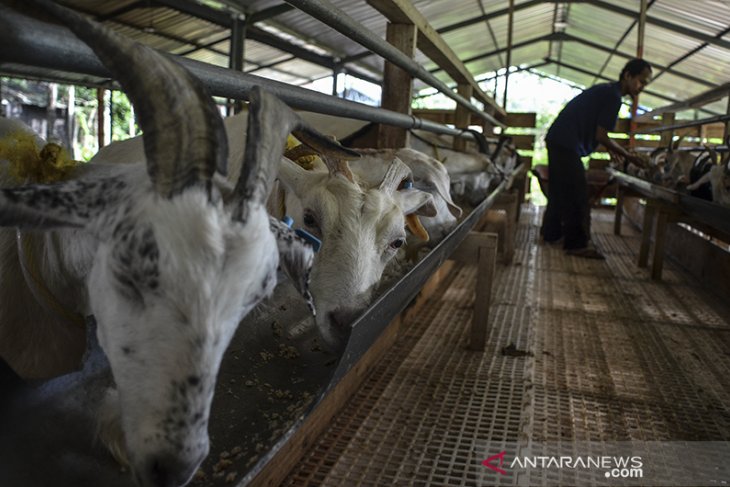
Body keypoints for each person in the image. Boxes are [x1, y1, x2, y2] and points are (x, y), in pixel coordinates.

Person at [542, 58, 652, 259]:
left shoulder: (607, 90)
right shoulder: (613, 96)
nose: (642, 87)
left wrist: (614, 149)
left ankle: (551, 233)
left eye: (645, 84)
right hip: (566, 143)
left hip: (559, 139)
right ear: (628, 75)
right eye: (641, 81)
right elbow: (601, 135)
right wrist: (628, 155)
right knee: (577, 193)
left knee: (559, 189)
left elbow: (596, 131)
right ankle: (576, 244)